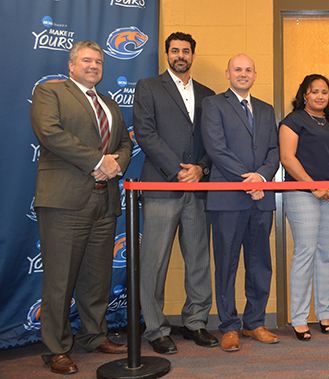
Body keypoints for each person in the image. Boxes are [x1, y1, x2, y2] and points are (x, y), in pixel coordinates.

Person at [30, 40, 132, 374]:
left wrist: (115, 164)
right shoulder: (51, 93)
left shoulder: (108, 103)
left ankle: (93, 335)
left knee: (96, 277)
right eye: (87, 60)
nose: (93, 66)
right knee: (60, 279)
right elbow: (49, 133)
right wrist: (97, 161)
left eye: (99, 61)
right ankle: (56, 347)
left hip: (104, 200)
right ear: (72, 65)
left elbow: (124, 143)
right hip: (64, 201)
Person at [133, 32, 217, 355]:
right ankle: (155, 328)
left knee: (198, 259)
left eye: (185, 51)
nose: (180, 55)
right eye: (174, 50)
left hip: (197, 190)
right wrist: (178, 169)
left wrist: (200, 169)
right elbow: (145, 133)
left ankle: (196, 322)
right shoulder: (148, 87)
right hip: (161, 186)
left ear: (193, 55)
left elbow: (212, 141)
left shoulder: (208, 95)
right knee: (153, 261)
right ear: (167, 54)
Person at [201, 54, 280, 352]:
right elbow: (215, 148)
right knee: (227, 264)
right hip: (228, 197)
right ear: (227, 73)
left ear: (255, 75)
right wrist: (248, 181)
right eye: (238, 69)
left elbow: (273, 150)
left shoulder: (265, 108)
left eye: (248, 70)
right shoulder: (213, 104)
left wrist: (261, 177)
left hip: (261, 198)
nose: (243, 74)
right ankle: (229, 326)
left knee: (260, 263)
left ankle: (254, 322)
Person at [279, 74, 329, 341]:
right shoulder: (294, 120)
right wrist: (314, 186)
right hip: (301, 193)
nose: (320, 96)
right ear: (304, 95)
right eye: (314, 91)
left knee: (325, 256)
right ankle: (298, 318)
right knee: (305, 253)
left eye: (324, 92)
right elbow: (287, 158)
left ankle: (324, 313)